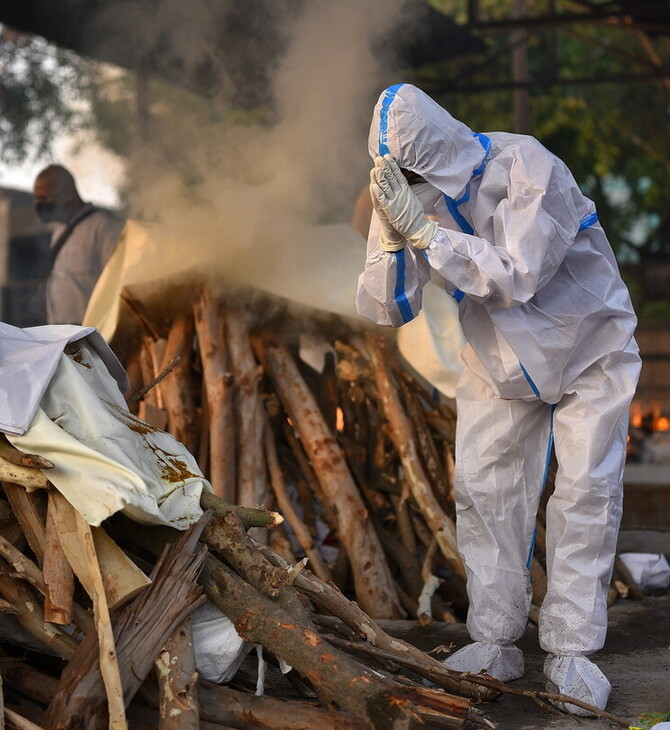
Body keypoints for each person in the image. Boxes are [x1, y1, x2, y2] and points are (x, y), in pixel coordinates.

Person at [356, 83, 640, 716]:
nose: (406, 183)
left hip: (588, 347)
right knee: (484, 488)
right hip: (496, 360)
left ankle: (572, 648)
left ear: (433, 153)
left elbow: (516, 275)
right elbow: (386, 307)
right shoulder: (406, 196)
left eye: (412, 173)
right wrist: (397, 237)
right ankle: (495, 637)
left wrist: (425, 232)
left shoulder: (525, 165)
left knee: (585, 492)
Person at [33, 164, 125, 325]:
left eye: (45, 198)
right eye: (38, 198)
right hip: (59, 335)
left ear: (68, 195)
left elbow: (116, 285)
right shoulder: (59, 230)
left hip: (92, 333)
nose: (40, 205)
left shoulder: (103, 227)